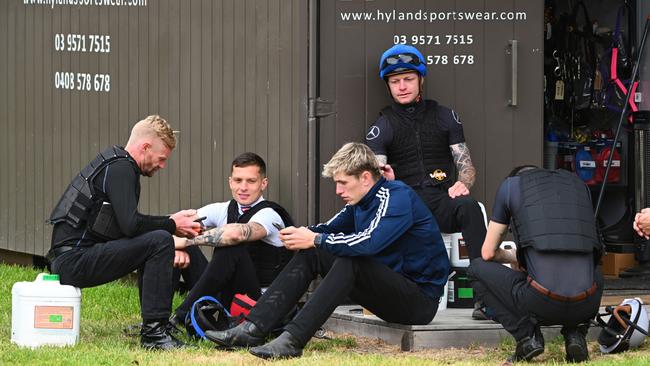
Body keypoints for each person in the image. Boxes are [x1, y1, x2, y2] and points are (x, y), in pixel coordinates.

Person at [204, 142, 450, 359]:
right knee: (314, 251)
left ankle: (292, 340)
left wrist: (316, 239)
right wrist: (293, 234)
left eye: (343, 182)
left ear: (365, 178)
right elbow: (324, 229)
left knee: (348, 259)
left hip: (419, 302)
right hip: (388, 292)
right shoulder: (359, 201)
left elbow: (370, 242)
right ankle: (253, 328)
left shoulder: (396, 197)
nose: (338, 190)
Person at [46, 115, 201, 350]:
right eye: (161, 159)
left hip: (73, 257)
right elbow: (131, 226)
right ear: (146, 146)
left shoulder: (116, 164)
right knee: (159, 240)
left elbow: (126, 230)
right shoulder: (121, 169)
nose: (162, 165)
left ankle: (157, 326)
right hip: (73, 261)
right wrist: (172, 224)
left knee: (160, 241)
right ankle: (154, 334)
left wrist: (173, 238)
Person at [365, 44, 487, 319]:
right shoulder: (381, 126)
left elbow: (465, 165)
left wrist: (464, 183)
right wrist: (386, 181)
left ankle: (485, 297)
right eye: (395, 82)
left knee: (471, 208)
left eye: (408, 79)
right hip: (408, 206)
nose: (402, 86)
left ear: (421, 79)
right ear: (388, 86)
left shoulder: (445, 116)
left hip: (441, 201)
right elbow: (373, 178)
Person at [468, 166, 603, 363]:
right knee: (594, 267)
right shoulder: (579, 187)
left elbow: (487, 253)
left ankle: (527, 337)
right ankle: (576, 334)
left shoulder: (511, 187)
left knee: (476, 269)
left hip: (541, 302)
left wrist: (517, 256)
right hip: (586, 302)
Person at [170, 152, 293, 329]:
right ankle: (156, 318)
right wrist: (175, 243)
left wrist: (186, 242)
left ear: (263, 184)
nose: (243, 187)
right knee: (166, 244)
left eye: (251, 181)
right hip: (226, 292)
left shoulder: (269, 214)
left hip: (258, 300)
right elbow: (174, 223)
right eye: (238, 180)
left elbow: (236, 235)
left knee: (230, 246)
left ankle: (179, 317)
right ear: (230, 182)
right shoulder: (222, 209)